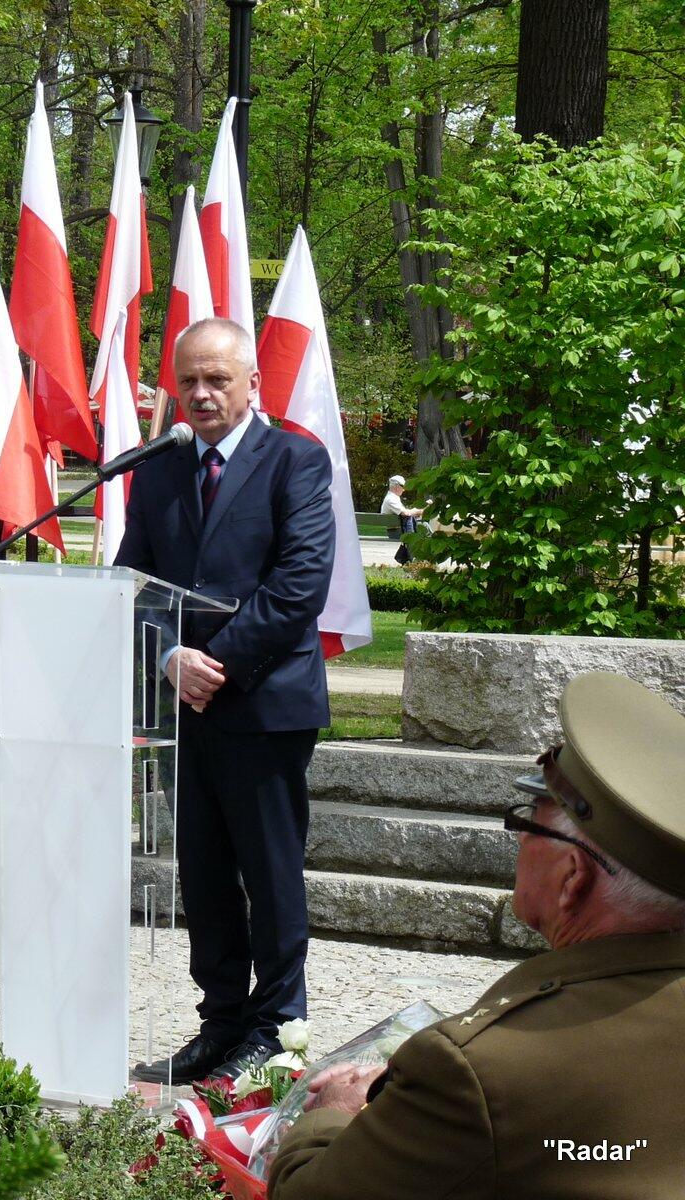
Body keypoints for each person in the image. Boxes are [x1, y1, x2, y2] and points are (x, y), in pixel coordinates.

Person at [269, 672, 685, 1198]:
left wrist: (332, 1114)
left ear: (572, 878)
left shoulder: (476, 1071)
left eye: (528, 823)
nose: (519, 844)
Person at [114, 317, 336, 1085]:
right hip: (184, 708)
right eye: (189, 381)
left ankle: (277, 1030)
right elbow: (133, 583)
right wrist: (170, 657)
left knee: (268, 875)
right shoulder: (160, 470)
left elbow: (300, 583)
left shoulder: (295, 462)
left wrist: (221, 663)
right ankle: (221, 1024)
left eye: (218, 379)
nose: (202, 394)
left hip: (264, 705)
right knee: (204, 875)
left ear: (252, 383)